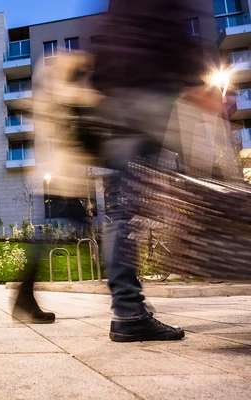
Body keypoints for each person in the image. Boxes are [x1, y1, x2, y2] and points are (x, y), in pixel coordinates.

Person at [89, 0, 222, 342]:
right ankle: (130, 312)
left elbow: (104, 37)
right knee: (136, 206)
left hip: (114, 97)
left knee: (122, 211)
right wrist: (195, 80)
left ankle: (127, 309)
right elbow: (166, 23)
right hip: (147, 93)